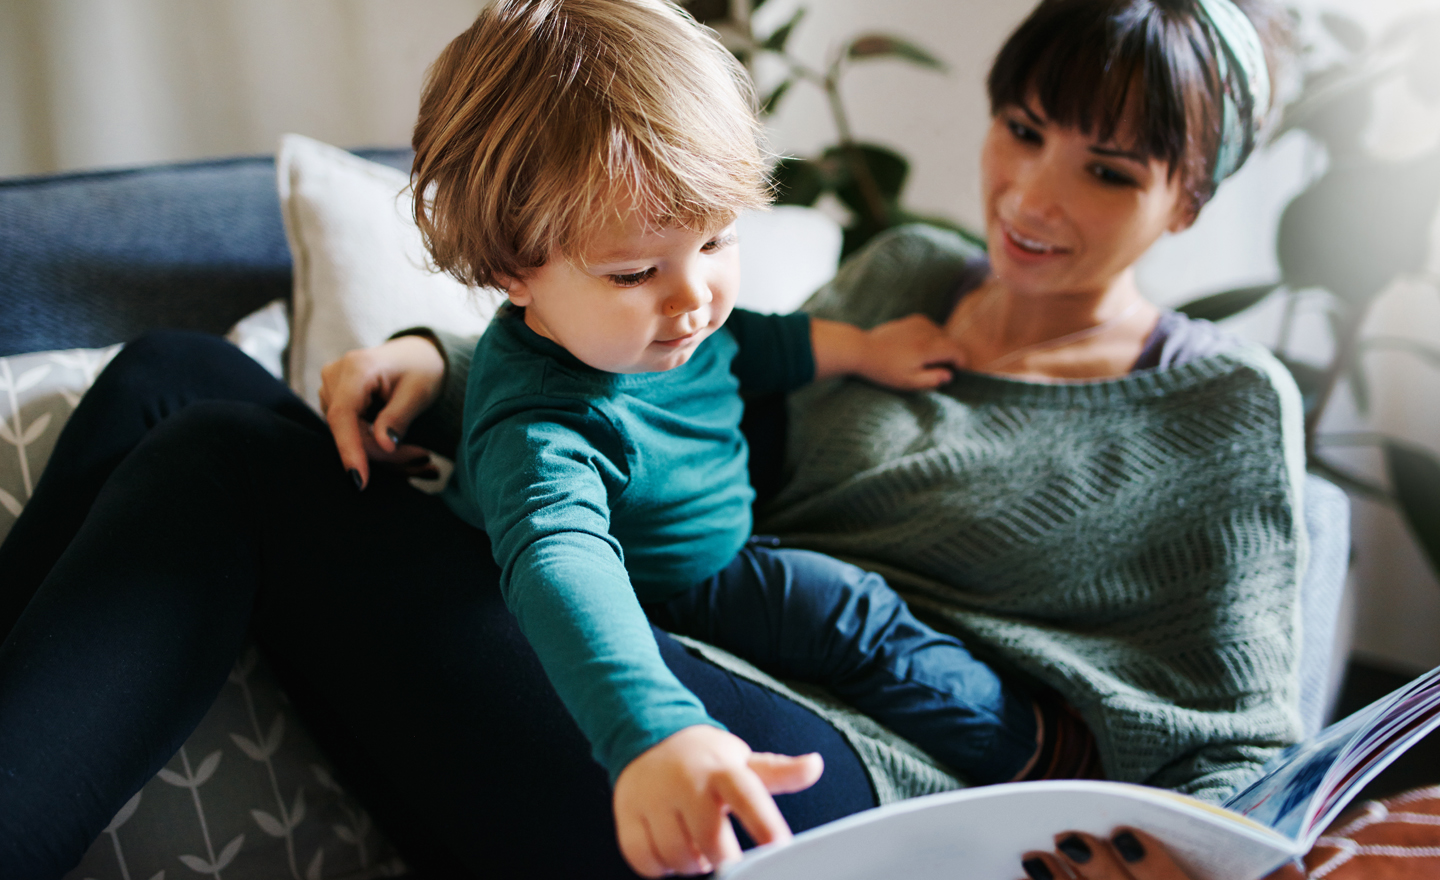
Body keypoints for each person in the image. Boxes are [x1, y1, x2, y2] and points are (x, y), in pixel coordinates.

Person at [0, 1, 1303, 879]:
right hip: (665, 643)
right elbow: (658, 401)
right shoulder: (903, 271)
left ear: (1191, 199)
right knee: (174, 375)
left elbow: (1246, 754)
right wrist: (441, 368)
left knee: (226, 465)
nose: (1032, 195)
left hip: (845, 783)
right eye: (1023, 131)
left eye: (1112, 171)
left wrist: (1178, 858)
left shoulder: (1221, 407)